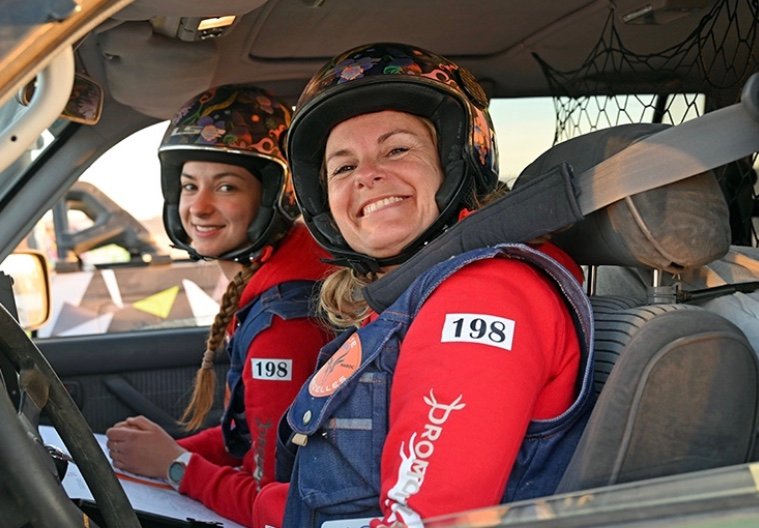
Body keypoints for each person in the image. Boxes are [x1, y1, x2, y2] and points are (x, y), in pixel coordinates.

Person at [252, 43, 595, 527]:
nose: (368, 176)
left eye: (397, 149)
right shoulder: (411, 299)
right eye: (344, 167)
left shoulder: (482, 296)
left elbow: (425, 521)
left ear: (457, 164)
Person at [104, 84, 334, 527]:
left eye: (226, 187)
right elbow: (245, 439)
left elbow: (276, 504)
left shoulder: (285, 323)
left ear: (272, 197)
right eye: (190, 186)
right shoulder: (273, 284)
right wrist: (164, 453)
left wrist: (175, 466)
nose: (199, 207)